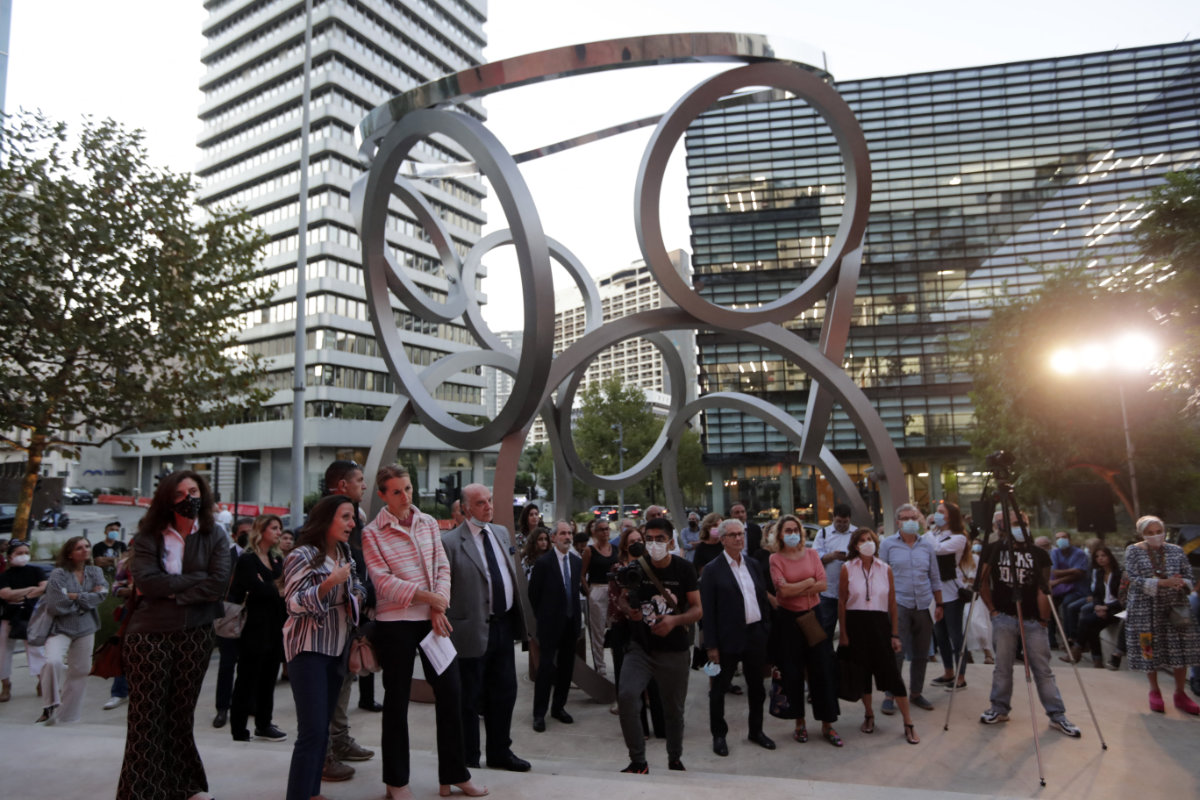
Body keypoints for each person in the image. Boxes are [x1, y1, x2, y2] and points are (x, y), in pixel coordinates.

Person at [363, 466, 485, 799]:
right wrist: (426, 597)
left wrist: (437, 605)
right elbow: (383, 582)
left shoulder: (428, 523)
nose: (406, 496)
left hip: (433, 619)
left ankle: (454, 775)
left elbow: (441, 567)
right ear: (383, 495)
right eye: (397, 491)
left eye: (409, 488)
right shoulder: (372, 533)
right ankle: (396, 782)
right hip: (395, 623)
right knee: (397, 700)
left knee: (452, 692)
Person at [118, 470, 231, 800]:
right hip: (149, 634)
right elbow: (149, 584)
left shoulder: (216, 535)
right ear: (167, 501)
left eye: (193, 491)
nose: (188, 499)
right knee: (145, 719)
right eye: (179, 495)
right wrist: (194, 581)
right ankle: (142, 792)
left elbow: (218, 583)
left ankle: (184, 786)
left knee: (180, 715)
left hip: (195, 633)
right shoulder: (149, 536)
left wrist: (174, 593)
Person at [442, 483, 531, 772]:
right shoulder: (451, 542)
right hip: (470, 631)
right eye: (480, 503)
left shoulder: (502, 534)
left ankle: (500, 752)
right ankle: (469, 757)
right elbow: (444, 589)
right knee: (469, 698)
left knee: (504, 692)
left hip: (503, 626)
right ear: (466, 509)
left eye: (490, 500)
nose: (488, 507)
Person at [283, 494, 366, 800]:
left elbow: (357, 585)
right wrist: (329, 584)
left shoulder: (344, 551)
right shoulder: (301, 555)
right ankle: (299, 794)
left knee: (322, 732)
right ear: (326, 519)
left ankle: (312, 792)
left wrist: (355, 593)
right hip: (308, 651)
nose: (352, 523)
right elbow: (293, 603)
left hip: (337, 649)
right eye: (345, 517)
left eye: (352, 517)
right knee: (313, 731)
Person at [977, 509, 1082, 736]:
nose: (1020, 528)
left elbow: (1043, 588)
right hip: (1004, 616)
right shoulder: (994, 550)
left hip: (1033, 619)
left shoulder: (1039, 554)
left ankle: (1057, 714)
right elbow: (981, 581)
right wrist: (993, 610)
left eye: (1024, 523)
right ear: (1005, 526)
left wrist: (1044, 620)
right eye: (1015, 523)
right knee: (1002, 667)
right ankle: (999, 708)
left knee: (1042, 669)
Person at [614, 516, 702, 773]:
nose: (653, 544)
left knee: (673, 709)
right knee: (627, 696)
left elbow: (697, 610)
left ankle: (674, 757)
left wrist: (674, 620)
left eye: (659, 539)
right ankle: (638, 761)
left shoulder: (684, 569)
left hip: (674, 651)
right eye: (648, 539)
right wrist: (629, 611)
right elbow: (622, 599)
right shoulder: (637, 567)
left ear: (671, 541)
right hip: (641, 647)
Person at [701, 517, 776, 756]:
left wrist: (764, 628)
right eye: (732, 535)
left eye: (741, 534)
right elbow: (708, 612)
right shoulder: (713, 570)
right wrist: (711, 645)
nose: (738, 538)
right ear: (722, 539)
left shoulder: (753, 564)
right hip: (726, 640)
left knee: (757, 688)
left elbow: (762, 597)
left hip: (755, 635)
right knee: (719, 690)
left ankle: (756, 731)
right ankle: (719, 735)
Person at [837, 528, 920, 744]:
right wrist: (843, 633)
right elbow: (842, 602)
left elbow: (892, 602)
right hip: (856, 624)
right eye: (863, 540)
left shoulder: (885, 569)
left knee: (892, 674)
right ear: (856, 545)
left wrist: (894, 633)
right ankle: (869, 715)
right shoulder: (847, 568)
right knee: (863, 673)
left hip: (880, 624)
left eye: (870, 540)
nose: (867, 543)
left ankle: (908, 721)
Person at [322, 459, 377, 782]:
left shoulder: (357, 515)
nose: (364, 485)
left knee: (345, 678)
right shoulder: (327, 517)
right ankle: (325, 752)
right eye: (359, 480)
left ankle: (339, 739)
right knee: (329, 685)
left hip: (351, 614)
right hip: (329, 619)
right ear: (342, 485)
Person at [769, 514, 841, 746]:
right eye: (787, 530)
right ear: (780, 534)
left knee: (822, 669)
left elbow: (823, 584)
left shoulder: (811, 554)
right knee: (793, 672)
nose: (792, 534)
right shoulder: (775, 559)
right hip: (789, 620)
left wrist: (797, 586)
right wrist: (808, 583)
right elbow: (783, 593)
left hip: (814, 617)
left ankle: (827, 724)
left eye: (795, 530)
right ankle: (799, 723)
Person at [1123, 515, 1200, 714]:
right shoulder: (1133, 551)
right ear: (1141, 534)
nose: (1155, 536)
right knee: (1149, 647)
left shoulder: (1176, 551)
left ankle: (1180, 693)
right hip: (1145, 607)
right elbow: (1133, 578)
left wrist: (1181, 582)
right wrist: (1160, 583)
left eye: (1158, 531)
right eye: (1149, 533)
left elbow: (1189, 575)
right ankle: (1154, 691)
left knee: (1180, 649)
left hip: (1175, 606)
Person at [228, 514, 288, 743]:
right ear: (261, 531)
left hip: (274, 626)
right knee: (246, 679)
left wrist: (270, 588)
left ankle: (264, 724)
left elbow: (282, 589)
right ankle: (239, 728)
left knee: (268, 678)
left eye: (279, 528)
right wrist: (273, 589)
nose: (278, 532)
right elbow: (257, 589)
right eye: (274, 528)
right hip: (252, 628)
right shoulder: (248, 559)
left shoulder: (275, 559)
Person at [878, 503, 943, 713]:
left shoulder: (927, 545)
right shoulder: (888, 545)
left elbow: (934, 576)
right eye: (905, 518)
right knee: (896, 652)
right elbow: (881, 577)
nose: (910, 522)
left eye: (913, 518)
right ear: (898, 522)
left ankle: (916, 692)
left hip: (923, 604)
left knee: (921, 653)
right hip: (899, 605)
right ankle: (891, 694)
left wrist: (939, 603)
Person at [36, 536, 107, 724]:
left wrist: (74, 596)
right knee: (52, 662)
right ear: (69, 553)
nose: (85, 550)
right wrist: (86, 600)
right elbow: (55, 605)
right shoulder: (59, 574)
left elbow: (101, 596)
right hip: (60, 628)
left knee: (80, 671)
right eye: (79, 548)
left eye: (87, 546)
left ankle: (68, 717)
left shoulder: (95, 572)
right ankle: (50, 704)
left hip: (86, 628)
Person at [529, 520, 582, 733]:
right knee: (546, 668)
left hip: (571, 623)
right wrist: (544, 616)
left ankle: (558, 707)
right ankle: (539, 714)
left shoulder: (576, 562)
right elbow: (534, 594)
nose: (567, 537)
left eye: (569, 533)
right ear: (553, 537)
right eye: (562, 533)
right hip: (550, 624)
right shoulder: (543, 563)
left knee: (566, 668)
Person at [213, 515, 254, 729]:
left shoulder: (260, 556)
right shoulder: (225, 557)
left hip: (253, 618)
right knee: (227, 664)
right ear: (234, 535)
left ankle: (246, 704)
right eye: (243, 533)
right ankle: (222, 708)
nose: (247, 537)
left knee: (249, 666)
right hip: (229, 616)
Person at [0, 539, 47, 702]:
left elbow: (44, 588)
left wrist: (19, 594)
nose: (23, 556)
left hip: (32, 615)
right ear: (10, 556)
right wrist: (31, 591)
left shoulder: (36, 571)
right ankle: (5, 685)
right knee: (3, 652)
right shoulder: (5, 576)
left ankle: (43, 682)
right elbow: (5, 594)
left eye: (26, 553)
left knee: (36, 649)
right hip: (10, 616)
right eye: (19, 553)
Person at [930, 501, 968, 690]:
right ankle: (948, 671)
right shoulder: (935, 534)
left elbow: (937, 549)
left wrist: (926, 528)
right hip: (935, 592)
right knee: (941, 633)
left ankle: (961, 675)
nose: (936, 515)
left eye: (940, 512)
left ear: (949, 516)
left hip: (951, 591)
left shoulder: (958, 538)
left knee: (955, 634)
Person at [1069, 545, 1124, 669]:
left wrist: (1107, 608)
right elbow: (1097, 594)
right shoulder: (1099, 573)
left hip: (1117, 609)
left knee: (1086, 621)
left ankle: (1077, 648)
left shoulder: (1119, 573)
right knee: (1092, 629)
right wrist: (1098, 606)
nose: (1100, 559)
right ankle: (1097, 660)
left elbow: (1123, 597)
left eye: (1103, 556)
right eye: (1097, 556)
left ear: (1109, 557)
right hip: (1103, 607)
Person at [815, 503, 858, 639]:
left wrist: (849, 558)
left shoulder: (856, 533)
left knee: (852, 630)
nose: (841, 525)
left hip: (852, 592)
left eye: (845, 522)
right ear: (833, 518)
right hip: (829, 591)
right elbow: (816, 557)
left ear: (850, 519)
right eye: (838, 521)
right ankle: (827, 658)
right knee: (826, 629)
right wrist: (832, 556)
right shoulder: (823, 533)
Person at [580, 517, 617, 677]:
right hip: (597, 588)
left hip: (614, 590)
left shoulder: (615, 549)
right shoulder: (590, 550)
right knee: (597, 630)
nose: (605, 532)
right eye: (601, 529)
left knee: (615, 627)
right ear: (595, 532)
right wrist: (589, 593)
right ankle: (600, 666)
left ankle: (618, 661)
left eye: (607, 529)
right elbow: (582, 574)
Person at [104, 546, 135, 709]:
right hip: (130, 611)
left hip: (156, 613)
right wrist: (130, 591)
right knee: (123, 651)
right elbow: (116, 589)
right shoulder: (125, 564)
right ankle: (119, 693)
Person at [1050, 530, 1091, 652]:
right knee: (1049, 607)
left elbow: (1079, 574)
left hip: (1077, 589)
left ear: (1069, 539)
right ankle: (1052, 640)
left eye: (1064, 537)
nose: (1061, 540)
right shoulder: (1055, 552)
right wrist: (1072, 570)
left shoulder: (1079, 553)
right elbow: (1054, 572)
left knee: (1067, 605)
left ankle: (1071, 638)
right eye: (1058, 538)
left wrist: (1058, 579)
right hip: (1059, 590)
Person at [961, 535, 994, 665]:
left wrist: (966, 581)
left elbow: (977, 579)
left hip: (975, 597)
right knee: (963, 626)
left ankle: (988, 653)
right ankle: (967, 654)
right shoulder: (954, 559)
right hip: (959, 596)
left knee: (980, 624)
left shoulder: (975, 558)